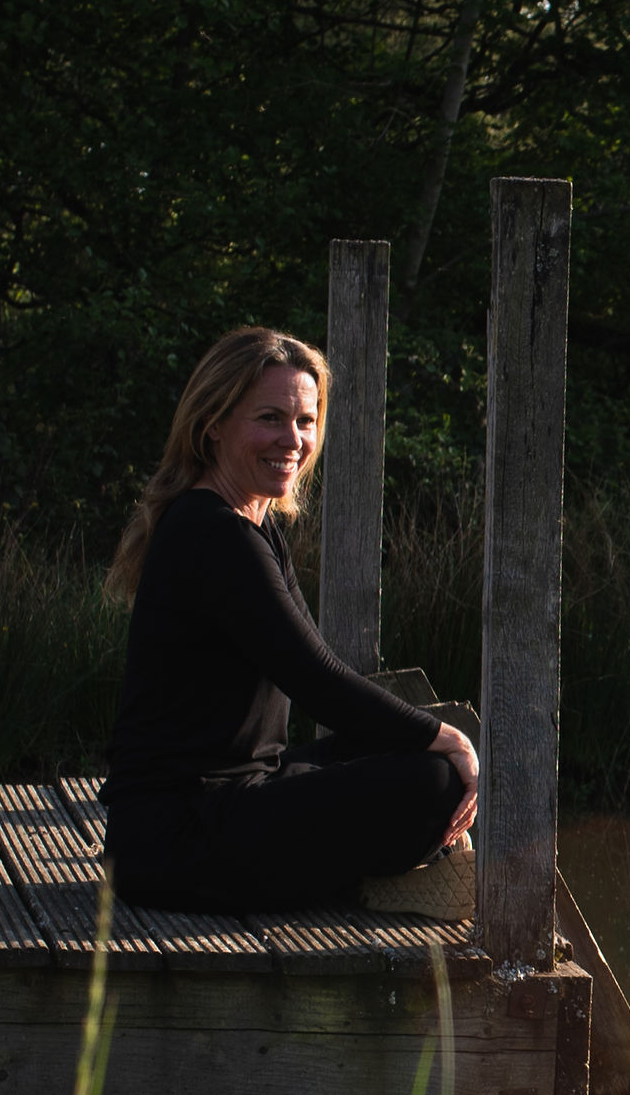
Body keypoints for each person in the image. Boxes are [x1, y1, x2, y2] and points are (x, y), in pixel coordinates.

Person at [100, 326, 477, 910]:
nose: (293, 440)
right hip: (175, 839)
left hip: (234, 797)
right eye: (270, 419)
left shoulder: (254, 522)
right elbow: (317, 680)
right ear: (213, 425)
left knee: (421, 744)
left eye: (305, 421)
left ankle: (362, 866)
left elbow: (317, 666)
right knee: (435, 777)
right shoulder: (214, 534)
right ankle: (361, 883)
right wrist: (444, 740)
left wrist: (434, 733)